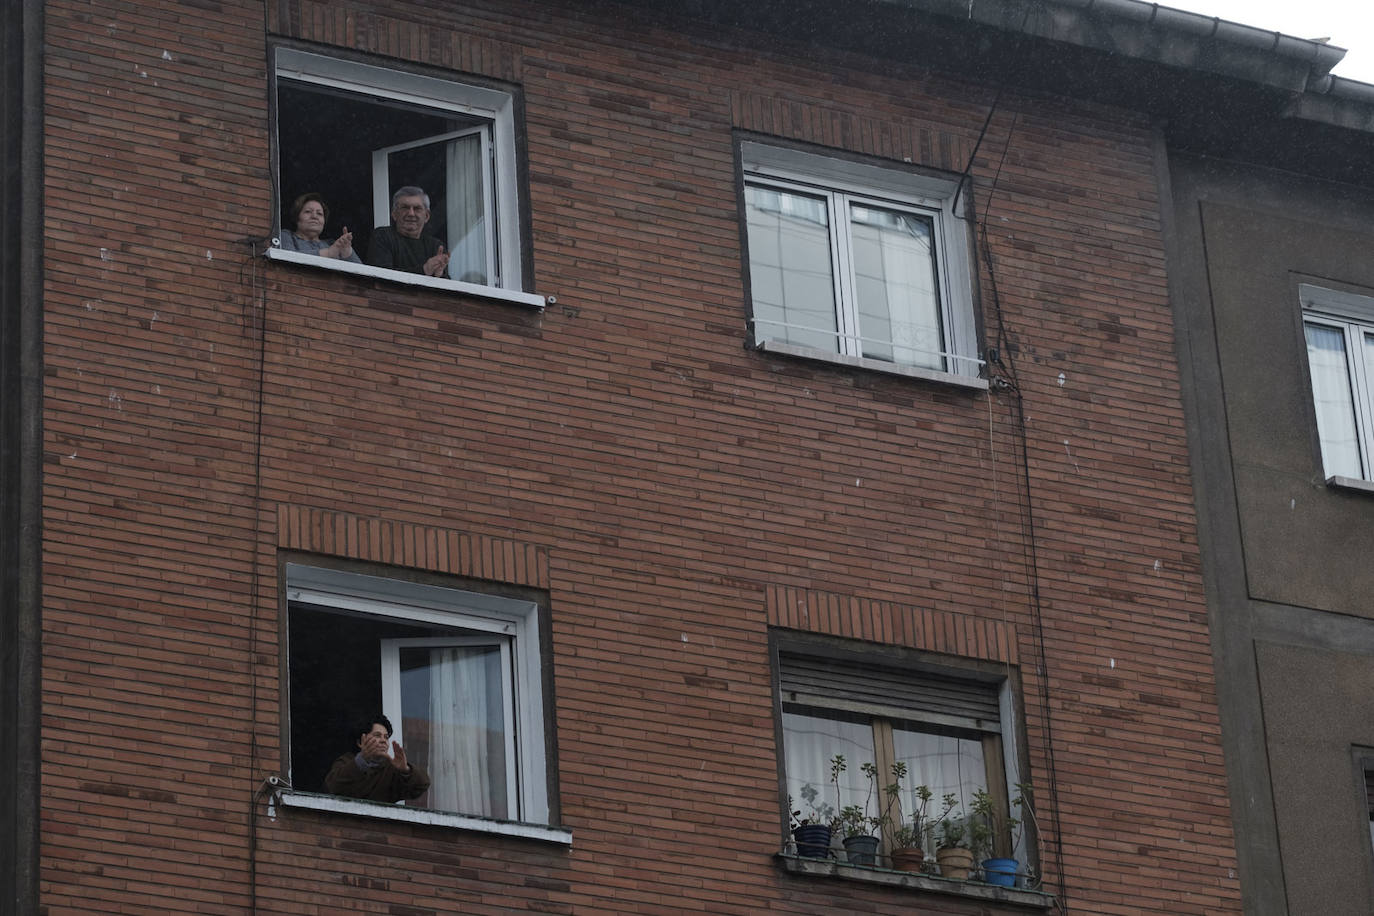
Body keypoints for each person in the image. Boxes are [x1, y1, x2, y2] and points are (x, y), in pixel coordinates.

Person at [324, 714, 431, 803]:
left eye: (386, 737)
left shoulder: (390, 769)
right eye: (377, 735)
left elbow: (421, 786)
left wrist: (406, 770)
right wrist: (362, 761)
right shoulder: (346, 762)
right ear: (360, 742)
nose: (383, 740)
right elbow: (333, 786)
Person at [366, 186, 450, 277]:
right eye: (405, 208)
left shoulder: (436, 246)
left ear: (426, 216)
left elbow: (448, 287)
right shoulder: (383, 236)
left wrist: (439, 275)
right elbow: (381, 276)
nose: (411, 213)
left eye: (417, 208)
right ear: (394, 214)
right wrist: (424, 270)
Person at [278, 193, 361, 263]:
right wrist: (328, 254)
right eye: (308, 212)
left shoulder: (331, 244)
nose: (314, 216)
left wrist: (347, 252)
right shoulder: (286, 236)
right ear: (297, 217)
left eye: (319, 214)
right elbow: (288, 259)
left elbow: (363, 276)